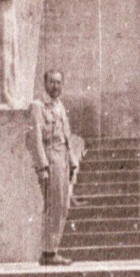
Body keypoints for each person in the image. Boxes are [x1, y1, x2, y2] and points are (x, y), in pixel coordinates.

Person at [29, 70, 80, 266]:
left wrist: (73, 161)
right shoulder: (38, 107)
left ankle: (52, 249)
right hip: (50, 159)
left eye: (59, 83)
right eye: (52, 82)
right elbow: (35, 139)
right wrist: (42, 166)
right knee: (53, 206)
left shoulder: (60, 106)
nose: (55, 86)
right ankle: (48, 252)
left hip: (63, 160)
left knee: (62, 206)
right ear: (45, 84)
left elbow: (67, 137)